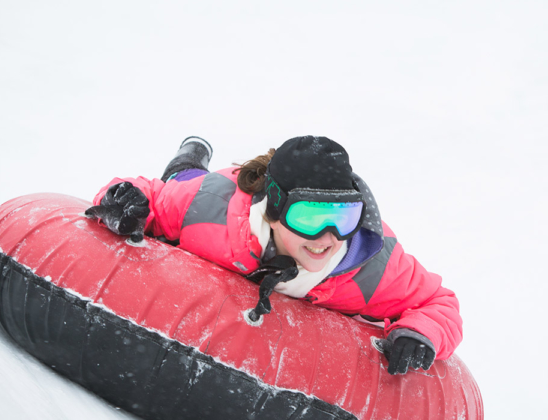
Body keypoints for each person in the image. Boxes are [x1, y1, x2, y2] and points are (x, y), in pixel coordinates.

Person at [86, 135, 462, 376]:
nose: (327, 238)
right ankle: (189, 157)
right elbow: (145, 193)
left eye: (343, 217)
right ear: (276, 208)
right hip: (200, 185)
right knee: (180, 178)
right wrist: (126, 202)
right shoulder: (207, 208)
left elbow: (438, 303)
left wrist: (419, 333)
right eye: (310, 218)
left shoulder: (371, 263)